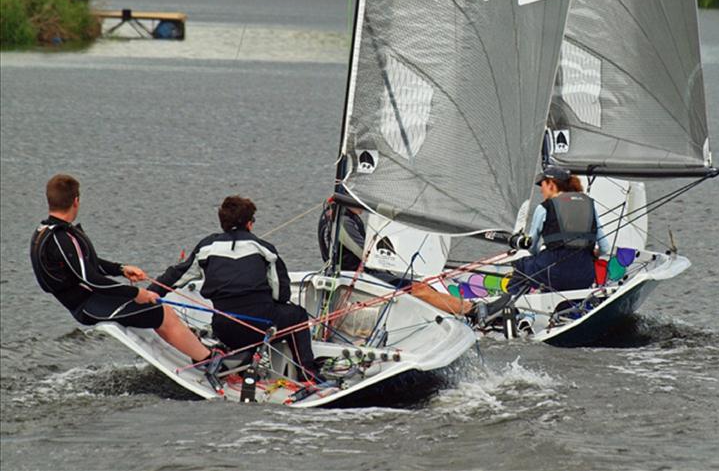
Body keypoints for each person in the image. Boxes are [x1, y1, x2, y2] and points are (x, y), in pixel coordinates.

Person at [30, 174, 215, 367]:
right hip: (89, 307)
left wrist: (121, 269)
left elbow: (84, 265)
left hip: (91, 300)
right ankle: (210, 361)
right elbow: (90, 279)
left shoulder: (45, 230)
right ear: (76, 201)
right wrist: (136, 292)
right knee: (162, 312)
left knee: (157, 310)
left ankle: (195, 350)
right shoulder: (62, 238)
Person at [148, 195, 317, 379]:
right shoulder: (264, 249)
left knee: (244, 320)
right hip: (260, 325)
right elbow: (281, 294)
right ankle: (308, 374)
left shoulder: (206, 247)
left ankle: (238, 368)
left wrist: (150, 292)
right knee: (297, 315)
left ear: (223, 223)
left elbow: (176, 275)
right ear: (249, 223)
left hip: (224, 328)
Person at [316, 198, 508, 319]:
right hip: (357, 279)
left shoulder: (336, 213)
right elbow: (367, 255)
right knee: (419, 288)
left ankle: (457, 312)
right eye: (363, 200)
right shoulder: (343, 220)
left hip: (355, 275)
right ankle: (474, 311)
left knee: (422, 285)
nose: (366, 206)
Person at [508, 165, 610, 294]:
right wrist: (594, 254)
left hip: (553, 273)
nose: (541, 191)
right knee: (555, 271)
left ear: (551, 184)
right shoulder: (590, 204)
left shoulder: (544, 208)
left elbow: (533, 248)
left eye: (543, 185)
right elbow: (605, 247)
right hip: (584, 274)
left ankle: (511, 305)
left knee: (521, 265)